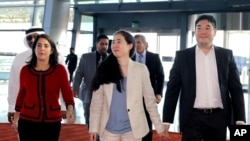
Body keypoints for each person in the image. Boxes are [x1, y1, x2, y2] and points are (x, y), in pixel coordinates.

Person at [162, 14, 246, 141]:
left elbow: (236, 89)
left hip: (219, 117)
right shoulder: (183, 57)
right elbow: (172, 89)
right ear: (194, 32)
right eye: (199, 28)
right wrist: (166, 120)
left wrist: (240, 119)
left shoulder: (226, 55)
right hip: (191, 117)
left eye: (208, 27)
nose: (203, 31)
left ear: (215, 32)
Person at [89, 30, 169, 141]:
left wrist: (159, 127)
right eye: (113, 42)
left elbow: (150, 102)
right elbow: (96, 102)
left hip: (132, 131)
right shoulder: (104, 69)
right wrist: (93, 127)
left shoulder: (140, 69)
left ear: (130, 45)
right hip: (108, 131)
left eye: (119, 42)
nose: (115, 45)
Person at [12, 34, 75, 141]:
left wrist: (70, 109)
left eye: (46, 46)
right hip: (27, 120)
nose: (42, 49)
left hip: (52, 122)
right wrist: (16, 118)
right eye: (39, 45)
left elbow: (67, 92)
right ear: (34, 49)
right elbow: (21, 94)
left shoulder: (60, 70)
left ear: (51, 50)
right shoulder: (25, 70)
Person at [7, 26, 67, 123]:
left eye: (36, 36)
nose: (32, 40)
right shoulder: (19, 58)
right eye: (29, 38)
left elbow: (63, 85)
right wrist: (11, 108)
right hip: (26, 110)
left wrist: (64, 106)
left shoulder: (57, 56)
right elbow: (14, 85)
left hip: (50, 110)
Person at [72, 34, 109, 127]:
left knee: (104, 119)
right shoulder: (86, 57)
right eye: (102, 44)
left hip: (106, 94)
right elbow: (78, 74)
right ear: (97, 44)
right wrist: (75, 88)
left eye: (106, 44)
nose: (104, 46)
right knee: (88, 117)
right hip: (89, 93)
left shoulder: (111, 59)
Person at [133, 34, 165, 141]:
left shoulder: (154, 57)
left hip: (149, 95)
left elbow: (160, 76)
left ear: (145, 44)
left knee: (147, 122)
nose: (136, 45)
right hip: (132, 96)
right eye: (134, 42)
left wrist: (159, 93)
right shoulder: (129, 58)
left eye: (138, 42)